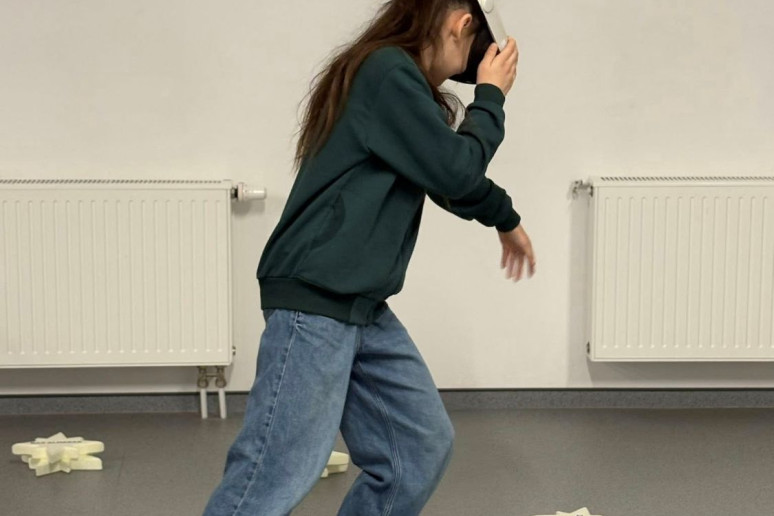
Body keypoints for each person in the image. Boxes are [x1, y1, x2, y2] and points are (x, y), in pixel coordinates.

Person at [202, 0, 536, 514]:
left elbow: (448, 177)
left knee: (418, 449)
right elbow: (456, 172)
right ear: (462, 24)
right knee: (275, 470)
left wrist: (504, 217)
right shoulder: (386, 72)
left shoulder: (401, 86)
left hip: (361, 305)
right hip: (317, 298)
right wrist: (490, 97)